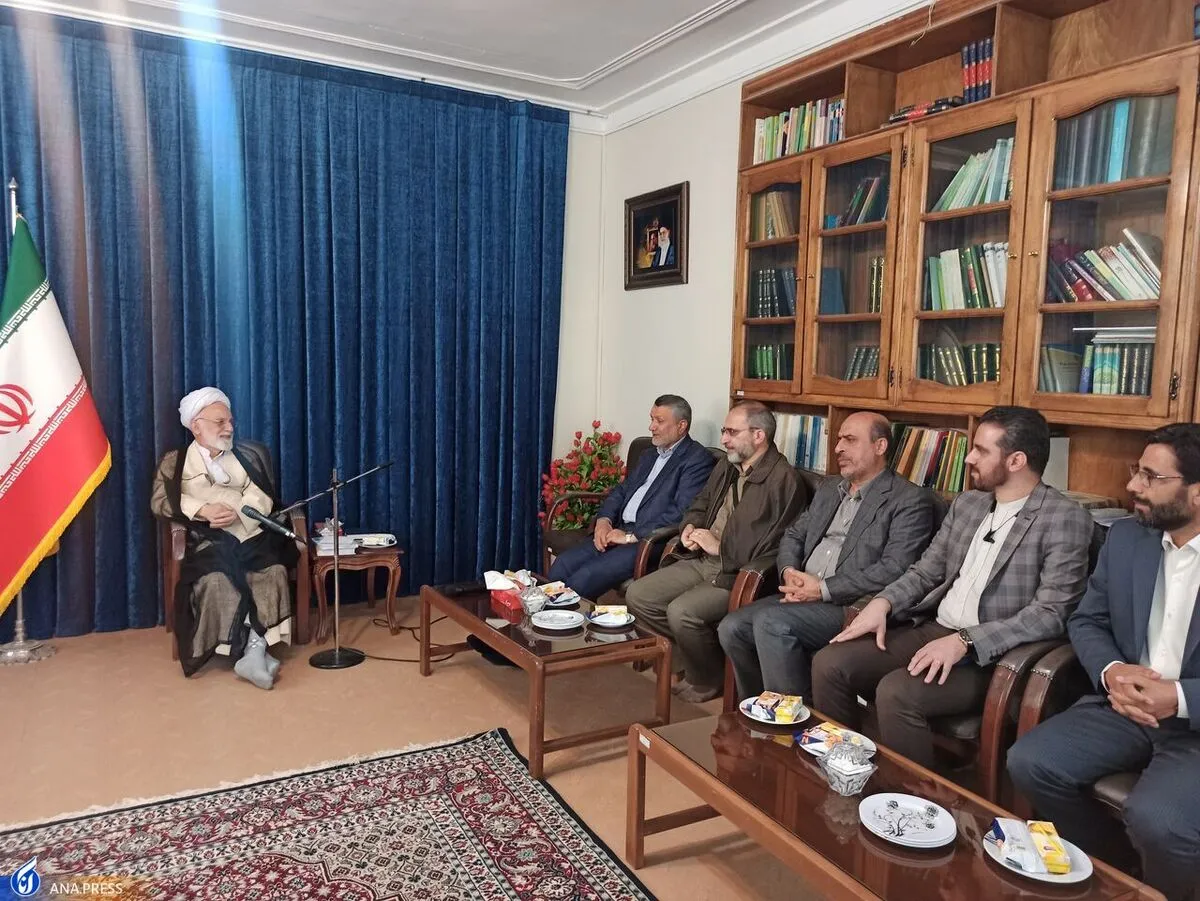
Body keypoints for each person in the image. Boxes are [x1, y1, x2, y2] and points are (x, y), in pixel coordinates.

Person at [811, 406, 1093, 768]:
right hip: (935, 630)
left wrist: (966, 641)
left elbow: (1051, 614)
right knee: (830, 663)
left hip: (993, 657)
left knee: (896, 693)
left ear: (1016, 460)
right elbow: (926, 571)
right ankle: (843, 769)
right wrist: (883, 602)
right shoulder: (969, 504)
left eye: (981, 451)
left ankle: (909, 798)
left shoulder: (1064, 518)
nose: (969, 458)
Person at [1007, 424, 1200, 901]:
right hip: (1123, 706)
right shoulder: (1128, 538)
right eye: (1138, 471)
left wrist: (1178, 697)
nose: (1133, 485)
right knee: (1030, 762)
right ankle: (1114, 873)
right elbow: (1088, 620)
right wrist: (1113, 671)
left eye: (1151, 477)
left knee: (1158, 820)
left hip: (1194, 726)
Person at [718, 412, 935, 701]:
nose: (838, 448)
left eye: (850, 440)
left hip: (847, 603)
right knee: (732, 627)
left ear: (880, 446)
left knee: (772, 623)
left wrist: (822, 589)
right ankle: (758, 710)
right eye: (838, 440)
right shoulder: (830, 488)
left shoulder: (908, 500)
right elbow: (794, 535)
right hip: (801, 591)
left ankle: (793, 719)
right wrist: (789, 572)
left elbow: (894, 568)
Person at [625, 401, 805, 703]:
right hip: (700, 558)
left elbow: (772, 545)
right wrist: (690, 526)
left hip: (735, 572)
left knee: (682, 612)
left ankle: (708, 678)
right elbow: (701, 502)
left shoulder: (783, 481)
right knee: (638, 595)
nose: (723, 439)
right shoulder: (727, 465)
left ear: (759, 435)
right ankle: (692, 662)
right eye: (724, 431)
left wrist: (720, 547)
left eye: (732, 432)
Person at [150, 387, 299, 688]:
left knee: (272, 569)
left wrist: (241, 512)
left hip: (250, 532)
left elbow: (262, 495)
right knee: (216, 578)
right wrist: (202, 510)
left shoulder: (249, 455)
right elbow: (161, 502)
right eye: (220, 422)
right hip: (207, 540)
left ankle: (254, 652)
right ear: (196, 426)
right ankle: (250, 652)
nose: (229, 427)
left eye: (230, 421)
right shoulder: (175, 462)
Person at [547, 395, 715, 600]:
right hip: (618, 530)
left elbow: (681, 512)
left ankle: (564, 618)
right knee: (562, 564)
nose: (651, 427)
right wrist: (604, 521)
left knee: (585, 577)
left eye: (659, 421)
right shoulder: (649, 454)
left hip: (649, 540)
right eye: (651, 419)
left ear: (681, 426)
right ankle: (545, 617)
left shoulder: (697, 460)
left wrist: (630, 536)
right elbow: (621, 490)